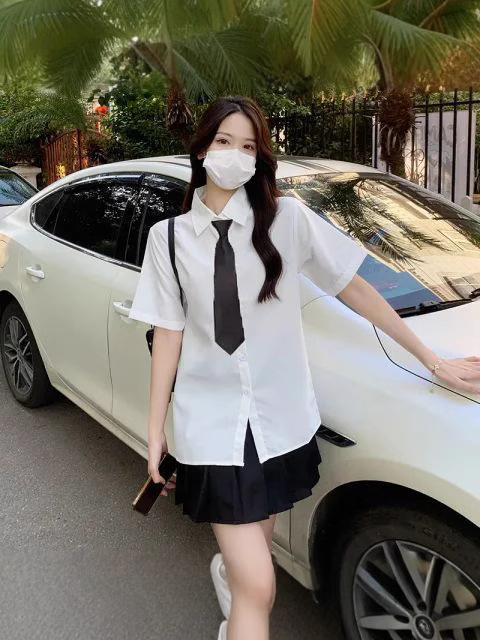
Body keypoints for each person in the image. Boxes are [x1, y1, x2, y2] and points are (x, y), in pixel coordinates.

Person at [128, 95, 480, 640]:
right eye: (224, 141)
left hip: (279, 424)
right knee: (260, 588)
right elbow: (169, 334)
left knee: (255, 568)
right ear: (201, 150)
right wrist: (155, 431)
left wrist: (430, 357)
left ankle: (230, 581)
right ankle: (239, 596)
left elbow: (352, 286)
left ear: (259, 158)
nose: (235, 155)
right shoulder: (167, 239)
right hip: (211, 428)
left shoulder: (286, 220)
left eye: (249, 146)